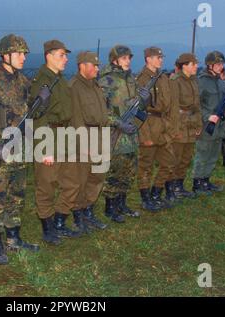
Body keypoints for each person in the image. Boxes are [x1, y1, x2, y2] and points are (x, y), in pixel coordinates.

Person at [0, 34, 39, 265]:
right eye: (19, 53)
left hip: (20, 149)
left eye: (25, 54)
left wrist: (40, 102)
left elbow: (27, 116)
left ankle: (13, 238)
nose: (23, 57)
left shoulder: (23, 81)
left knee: (17, 195)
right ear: (5, 55)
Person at [30, 39, 81, 245]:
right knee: (46, 186)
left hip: (65, 136)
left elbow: (70, 111)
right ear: (48, 56)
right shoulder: (42, 81)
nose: (66, 59)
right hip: (48, 137)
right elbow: (37, 116)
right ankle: (48, 229)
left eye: (66, 55)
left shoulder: (60, 80)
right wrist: (45, 149)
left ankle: (60, 222)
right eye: (62, 55)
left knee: (72, 183)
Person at [98, 45, 145, 221]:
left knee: (129, 170)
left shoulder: (131, 79)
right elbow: (101, 109)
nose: (128, 61)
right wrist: (118, 123)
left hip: (130, 133)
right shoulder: (106, 80)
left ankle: (122, 204)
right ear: (115, 60)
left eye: (129, 58)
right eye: (124, 58)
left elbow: (135, 104)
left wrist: (144, 100)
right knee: (115, 171)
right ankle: (110, 208)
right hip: (115, 133)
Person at [69, 51, 109, 233]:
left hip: (100, 136)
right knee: (81, 180)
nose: (97, 68)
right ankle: (78, 217)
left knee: (97, 177)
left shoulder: (96, 86)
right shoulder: (74, 87)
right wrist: (83, 145)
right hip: (85, 138)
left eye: (98, 65)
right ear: (82, 66)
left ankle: (89, 211)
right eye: (94, 65)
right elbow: (76, 119)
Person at [192, 51, 225, 194]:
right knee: (203, 154)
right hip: (206, 124)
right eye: (218, 64)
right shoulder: (201, 81)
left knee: (213, 154)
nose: (221, 67)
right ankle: (197, 183)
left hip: (219, 125)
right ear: (210, 65)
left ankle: (206, 181)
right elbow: (195, 104)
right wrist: (207, 116)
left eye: (221, 64)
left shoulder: (220, 81)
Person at [136, 47, 178, 211]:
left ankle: (156, 193)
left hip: (163, 126)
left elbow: (170, 105)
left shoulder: (163, 78)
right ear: (148, 59)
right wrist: (144, 134)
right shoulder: (141, 80)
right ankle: (146, 198)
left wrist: (172, 127)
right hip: (148, 125)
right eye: (157, 57)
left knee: (168, 163)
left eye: (161, 57)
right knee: (145, 165)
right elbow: (138, 110)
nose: (160, 60)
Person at [170, 53, 202, 199]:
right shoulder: (175, 81)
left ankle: (180, 185)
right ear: (184, 65)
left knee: (186, 158)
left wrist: (198, 124)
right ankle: (171, 188)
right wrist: (175, 128)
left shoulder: (194, 81)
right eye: (193, 64)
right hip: (180, 126)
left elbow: (197, 106)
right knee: (175, 158)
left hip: (191, 125)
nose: (196, 66)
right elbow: (172, 107)